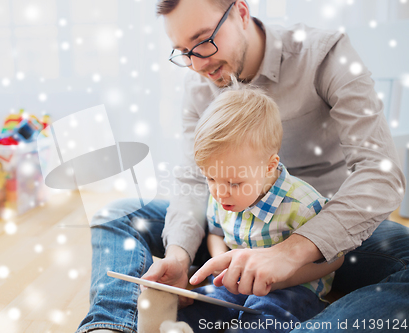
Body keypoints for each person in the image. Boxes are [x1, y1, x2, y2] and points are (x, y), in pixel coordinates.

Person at [76, 0, 408, 332]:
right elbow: (193, 178)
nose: (197, 64)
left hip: (322, 224)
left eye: (204, 41)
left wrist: (291, 251)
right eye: (183, 51)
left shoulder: (325, 55)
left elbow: (381, 174)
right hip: (236, 219)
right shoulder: (197, 83)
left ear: (242, 13)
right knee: (116, 215)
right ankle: (112, 326)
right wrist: (178, 253)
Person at [173, 85, 344, 331]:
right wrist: (222, 263)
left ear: (268, 166)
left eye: (234, 183)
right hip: (236, 282)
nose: (220, 192)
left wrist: (281, 279)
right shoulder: (221, 193)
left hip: (291, 289)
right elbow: (216, 232)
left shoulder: (304, 203)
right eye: (210, 178)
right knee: (205, 303)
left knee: (267, 312)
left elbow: (334, 259)